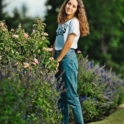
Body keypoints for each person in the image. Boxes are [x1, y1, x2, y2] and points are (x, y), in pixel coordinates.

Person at [52, 0, 89, 123]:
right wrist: (53, 59)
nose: (70, 7)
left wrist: (58, 60)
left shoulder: (74, 22)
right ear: (65, 4)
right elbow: (56, 42)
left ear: (77, 9)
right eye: (69, 4)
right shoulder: (62, 22)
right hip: (58, 56)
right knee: (62, 96)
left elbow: (68, 43)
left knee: (71, 96)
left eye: (74, 6)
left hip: (67, 57)